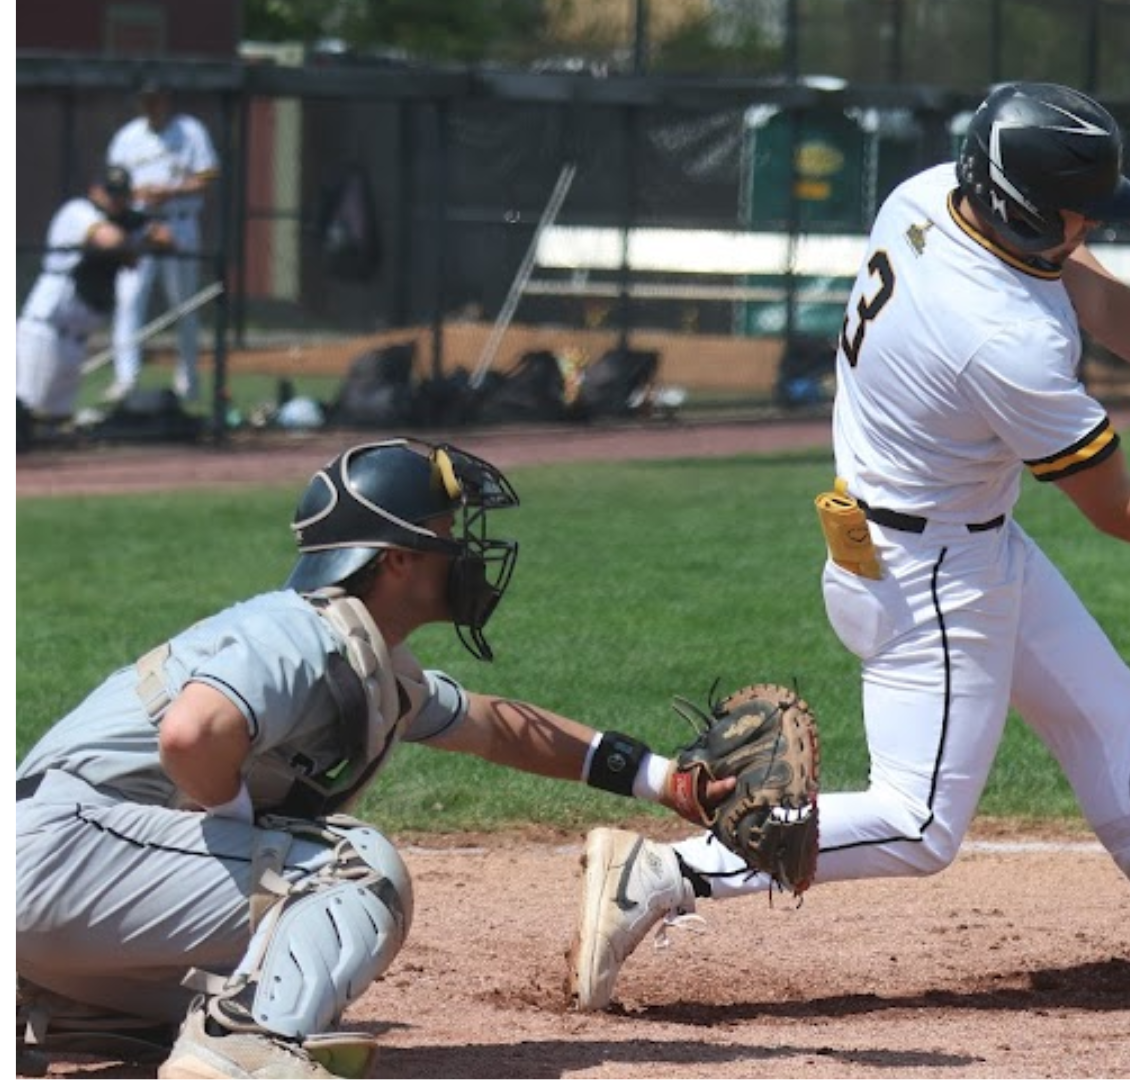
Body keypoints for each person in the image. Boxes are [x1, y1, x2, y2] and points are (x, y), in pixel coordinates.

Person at [570, 82, 1130, 1014]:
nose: (1089, 227)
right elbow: (1113, 506)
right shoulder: (1002, 340)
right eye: (1077, 211)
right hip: (934, 574)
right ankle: (665, 875)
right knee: (918, 825)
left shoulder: (929, 196)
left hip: (942, 538)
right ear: (1024, 208)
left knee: (1106, 706)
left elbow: (1094, 293)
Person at [16, 438, 735, 1080]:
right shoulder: (295, 633)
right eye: (448, 536)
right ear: (396, 559)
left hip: (61, 888)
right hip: (59, 853)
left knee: (249, 959)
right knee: (351, 868)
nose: (467, 554)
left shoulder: (364, 659)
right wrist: (237, 832)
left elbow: (497, 725)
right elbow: (192, 732)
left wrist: (662, 779)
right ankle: (244, 1048)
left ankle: (55, 1012)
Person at [16, 166, 173, 424]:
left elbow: (167, 239)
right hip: (45, 331)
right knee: (22, 411)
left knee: (56, 420)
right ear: (95, 190)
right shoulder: (77, 211)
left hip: (76, 341)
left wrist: (140, 232)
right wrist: (133, 245)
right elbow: (108, 239)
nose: (115, 200)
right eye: (109, 193)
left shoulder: (126, 221)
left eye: (121, 194)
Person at [106, 75, 220, 404]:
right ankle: (126, 377)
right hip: (140, 226)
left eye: (156, 98)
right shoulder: (128, 136)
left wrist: (168, 191)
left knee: (184, 304)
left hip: (179, 223)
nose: (151, 105)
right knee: (129, 300)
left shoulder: (190, 131)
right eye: (145, 99)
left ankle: (187, 377)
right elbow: (115, 184)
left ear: (167, 99)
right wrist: (134, 197)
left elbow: (207, 177)